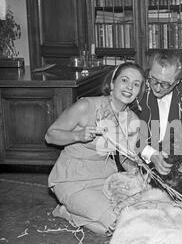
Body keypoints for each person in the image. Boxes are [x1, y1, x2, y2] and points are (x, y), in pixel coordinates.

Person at [45, 62, 145, 235]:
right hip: (72, 179)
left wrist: (138, 171)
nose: (130, 87)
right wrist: (78, 136)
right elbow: (50, 135)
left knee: (132, 218)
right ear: (112, 84)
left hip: (105, 179)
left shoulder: (132, 120)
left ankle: (69, 213)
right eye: (125, 80)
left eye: (136, 84)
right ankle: (69, 209)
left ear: (139, 92)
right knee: (118, 224)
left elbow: (124, 158)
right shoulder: (86, 106)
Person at [133, 51, 182, 209]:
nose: (158, 88)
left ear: (177, 82)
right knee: (146, 203)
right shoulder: (135, 85)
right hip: (143, 153)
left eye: (165, 84)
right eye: (153, 80)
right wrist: (151, 155)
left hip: (177, 153)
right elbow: (126, 133)